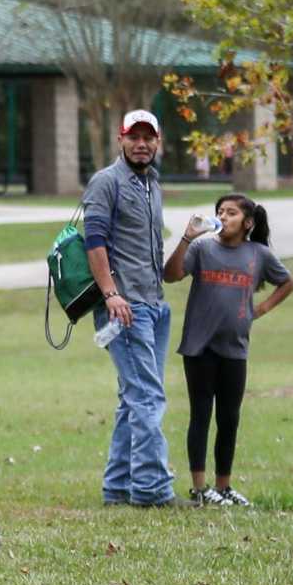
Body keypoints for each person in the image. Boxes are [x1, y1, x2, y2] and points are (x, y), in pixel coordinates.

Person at [163, 193, 293, 506]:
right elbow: (170, 275)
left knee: (229, 417)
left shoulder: (258, 254)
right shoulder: (202, 248)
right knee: (201, 415)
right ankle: (199, 488)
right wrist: (186, 237)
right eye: (220, 212)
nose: (223, 217)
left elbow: (287, 282)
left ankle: (223, 487)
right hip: (199, 347)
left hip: (235, 348)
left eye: (231, 213)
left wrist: (258, 310)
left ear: (247, 223)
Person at [83, 109, 184, 508]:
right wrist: (111, 294)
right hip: (124, 307)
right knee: (148, 398)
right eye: (133, 136)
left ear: (158, 142)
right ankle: (152, 490)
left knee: (134, 398)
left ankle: (119, 488)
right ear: (120, 140)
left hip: (154, 305)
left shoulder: (151, 184)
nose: (141, 143)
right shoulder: (106, 183)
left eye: (148, 137)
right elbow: (95, 241)